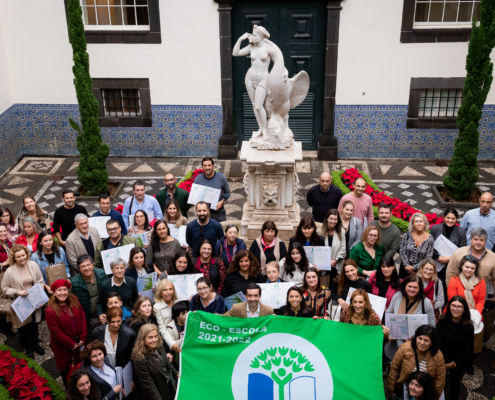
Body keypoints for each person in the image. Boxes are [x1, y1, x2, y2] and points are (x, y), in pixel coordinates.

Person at [1, 244, 47, 358]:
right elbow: (4, 289)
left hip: (34, 300)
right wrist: (17, 291)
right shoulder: (10, 271)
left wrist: (39, 296)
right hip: (20, 303)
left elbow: (41, 281)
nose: (22, 258)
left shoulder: (33, 265)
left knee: (34, 325)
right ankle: (28, 348)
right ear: (14, 258)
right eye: (18, 257)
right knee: (22, 327)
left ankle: (35, 344)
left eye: (23, 255)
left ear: (26, 254)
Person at [45, 279, 87, 387]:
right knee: (66, 370)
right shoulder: (50, 310)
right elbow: (56, 332)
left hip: (79, 342)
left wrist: (83, 337)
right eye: (59, 290)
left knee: (80, 367)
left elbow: (82, 316)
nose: (63, 292)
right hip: (63, 347)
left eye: (65, 289)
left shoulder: (74, 299)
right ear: (54, 292)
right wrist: (71, 344)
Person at [387, 325, 446, 400]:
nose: (422, 343)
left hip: (425, 393)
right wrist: (391, 390)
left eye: (426, 340)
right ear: (416, 337)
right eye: (420, 338)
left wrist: (435, 397)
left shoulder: (438, 355)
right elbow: (394, 369)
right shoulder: (405, 348)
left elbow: (440, 379)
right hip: (405, 388)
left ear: (432, 342)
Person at [386, 276, 436, 358]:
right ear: (405, 286)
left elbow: (432, 325)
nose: (412, 289)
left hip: (415, 346)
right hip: (394, 343)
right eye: (409, 286)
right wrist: (389, 331)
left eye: (415, 287)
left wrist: (418, 338)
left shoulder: (426, 302)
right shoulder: (397, 296)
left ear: (420, 288)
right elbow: (389, 313)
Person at [446, 228, 495, 306]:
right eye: (475, 239)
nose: (478, 242)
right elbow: (450, 272)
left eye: (481, 240)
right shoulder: (459, 253)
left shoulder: (493, 257)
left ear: (485, 241)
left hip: (480, 295)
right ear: (471, 240)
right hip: (457, 295)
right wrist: (451, 292)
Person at [438, 296, 474, 400]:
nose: (455, 308)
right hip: (441, 360)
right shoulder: (443, 320)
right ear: (449, 307)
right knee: (440, 384)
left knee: (454, 386)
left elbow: (467, 350)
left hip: (457, 363)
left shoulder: (468, 327)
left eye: (459, 306)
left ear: (464, 309)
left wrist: (452, 364)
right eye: (453, 305)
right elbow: (437, 340)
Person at [132, 324, 179, 400]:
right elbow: (149, 386)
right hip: (156, 393)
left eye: (156, 336)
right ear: (143, 339)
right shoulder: (139, 359)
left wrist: (176, 373)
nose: (154, 340)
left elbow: (167, 363)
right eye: (150, 337)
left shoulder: (159, 345)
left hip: (168, 387)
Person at [429, 208, 467, 297]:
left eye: (453, 218)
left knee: (448, 291)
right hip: (436, 264)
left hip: (452, 266)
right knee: (434, 289)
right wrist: (438, 256)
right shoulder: (435, 228)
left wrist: (450, 259)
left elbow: (463, 250)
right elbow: (429, 246)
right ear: (444, 217)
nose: (450, 220)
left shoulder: (461, 231)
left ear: (456, 219)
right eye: (448, 218)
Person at [71, 255, 108, 333]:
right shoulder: (74, 282)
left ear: (92, 265)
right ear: (79, 269)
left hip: (104, 314)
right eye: (83, 266)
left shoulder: (101, 273)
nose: (86, 268)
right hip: (88, 318)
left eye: (88, 265)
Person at [193, 157, 231, 222]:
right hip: (203, 214)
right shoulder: (198, 180)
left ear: (213, 166)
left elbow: (227, 192)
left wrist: (222, 200)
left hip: (218, 213)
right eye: (205, 165)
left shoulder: (221, 177)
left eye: (209, 165)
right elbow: (194, 195)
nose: (207, 168)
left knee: (220, 231)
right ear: (202, 167)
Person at [399, 213, 435, 279]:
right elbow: (402, 251)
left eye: (421, 221)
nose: (419, 223)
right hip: (404, 268)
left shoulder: (430, 239)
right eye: (416, 221)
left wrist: (414, 268)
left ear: (425, 224)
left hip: (420, 270)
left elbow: (428, 257)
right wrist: (408, 267)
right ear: (413, 224)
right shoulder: (407, 235)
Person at [317, 209, 346, 275]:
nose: (333, 221)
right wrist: (327, 262)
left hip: (337, 265)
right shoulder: (319, 231)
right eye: (331, 219)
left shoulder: (341, 231)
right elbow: (318, 250)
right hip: (323, 266)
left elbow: (343, 248)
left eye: (335, 219)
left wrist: (335, 261)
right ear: (327, 219)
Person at [164, 301, 188, 366]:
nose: (186, 315)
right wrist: (185, 339)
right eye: (183, 314)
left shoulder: (190, 323)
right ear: (176, 315)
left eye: (187, 312)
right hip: (178, 358)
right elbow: (171, 346)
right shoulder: (170, 327)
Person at [0, 223, 14, 337]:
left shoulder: (9, 243)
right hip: (1, 277)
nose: (3, 233)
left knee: (11, 298)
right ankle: (4, 328)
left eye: (4, 231)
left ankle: (10, 323)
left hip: (11, 274)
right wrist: (4, 263)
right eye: (0, 232)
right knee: (3, 301)